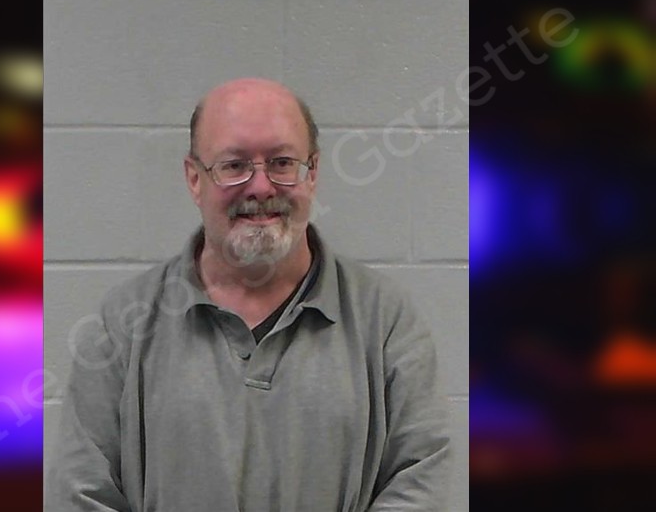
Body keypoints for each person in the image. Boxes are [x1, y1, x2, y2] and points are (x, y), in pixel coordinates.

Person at [46, 78, 451, 511]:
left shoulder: (385, 320)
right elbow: (82, 492)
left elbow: (420, 479)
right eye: (234, 165)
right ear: (194, 179)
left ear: (313, 173)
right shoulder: (123, 326)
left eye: (282, 162)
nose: (260, 187)